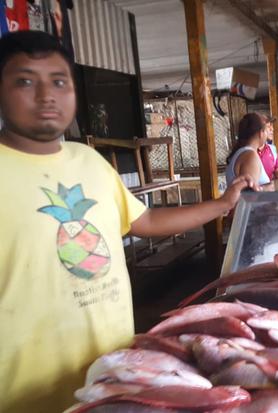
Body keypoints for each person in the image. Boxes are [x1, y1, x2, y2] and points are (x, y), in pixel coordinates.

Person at [0, 31, 258, 413]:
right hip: (27, 396)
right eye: (25, 81)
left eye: (58, 81)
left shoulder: (88, 161)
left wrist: (222, 204)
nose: (46, 95)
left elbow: (147, 219)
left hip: (119, 378)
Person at [226, 112, 273, 187]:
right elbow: (250, 196)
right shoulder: (250, 156)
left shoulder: (243, 152)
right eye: (266, 131)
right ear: (261, 133)